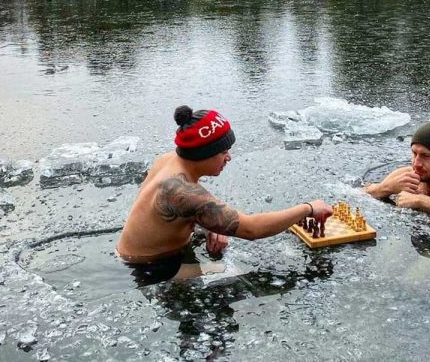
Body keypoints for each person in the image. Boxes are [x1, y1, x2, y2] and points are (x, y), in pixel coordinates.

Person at [116, 105, 333, 285]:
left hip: (142, 253)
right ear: (203, 154)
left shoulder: (168, 160)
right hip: (150, 269)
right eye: (223, 151)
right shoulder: (181, 191)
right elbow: (251, 229)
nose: (228, 157)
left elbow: (180, 212)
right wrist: (308, 208)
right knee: (235, 274)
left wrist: (209, 224)